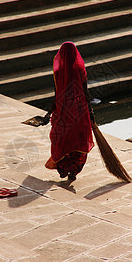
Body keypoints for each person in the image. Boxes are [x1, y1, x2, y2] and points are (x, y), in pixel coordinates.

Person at [43, 42, 95, 180]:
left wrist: (49, 112)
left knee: (62, 139)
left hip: (63, 113)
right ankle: (73, 171)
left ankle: (64, 169)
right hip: (79, 112)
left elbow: (56, 94)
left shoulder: (58, 71)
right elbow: (85, 92)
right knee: (78, 140)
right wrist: (90, 112)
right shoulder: (80, 69)